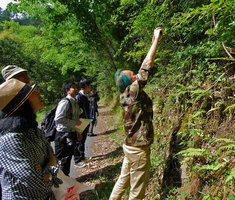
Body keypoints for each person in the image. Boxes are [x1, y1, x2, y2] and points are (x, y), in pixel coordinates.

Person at [109, 27, 163, 200]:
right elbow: (147, 64)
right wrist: (155, 39)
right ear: (130, 81)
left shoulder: (123, 96)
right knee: (136, 191)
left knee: (122, 181)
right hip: (138, 149)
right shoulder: (134, 90)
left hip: (129, 146)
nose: (134, 74)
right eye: (132, 74)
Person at [0, 79, 57, 200]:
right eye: (33, 92)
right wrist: (51, 163)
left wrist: (47, 168)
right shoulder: (11, 140)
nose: (39, 94)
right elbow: (39, 183)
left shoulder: (35, 130)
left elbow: (55, 159)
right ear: (22, 103)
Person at [54, 81, 82, 176]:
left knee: (68, 157)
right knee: (60, 158)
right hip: (63, 135)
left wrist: (78, 132)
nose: (76, 89)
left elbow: (76, 119)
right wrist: (74, 123)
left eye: (76, 87)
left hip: (71, 133)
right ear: (67, 90)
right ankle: (57, 182)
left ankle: (66, 179)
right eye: (73, 87)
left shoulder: (75, 102)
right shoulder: (65, 102)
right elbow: (58, 118)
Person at [74, 79, 92, 168]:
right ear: (86, 86)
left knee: (83, 139)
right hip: (81, 121)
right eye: (89, 85)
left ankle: (82, 156)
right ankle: (77, 160)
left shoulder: (84, 96)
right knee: (78, 140)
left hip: (86, 120)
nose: (90, 87)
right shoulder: (79, 97)